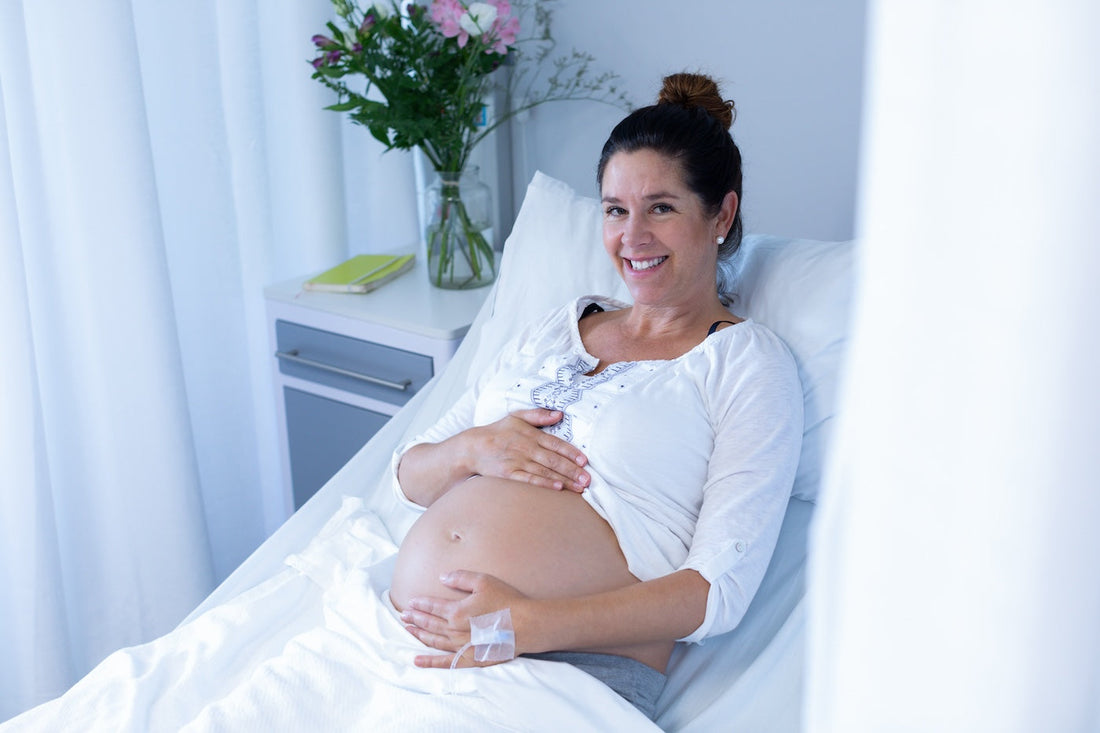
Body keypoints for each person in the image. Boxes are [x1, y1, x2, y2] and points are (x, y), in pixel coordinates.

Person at [388, 72, 803, 720]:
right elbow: (410, 474)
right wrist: (474, 448)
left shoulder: (748, 363)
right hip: (404, 642)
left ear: (720, 215)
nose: (632, 237)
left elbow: (714, 592)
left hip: (561, 667)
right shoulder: (556, 327)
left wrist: (525, 624)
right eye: (615, 210)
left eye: (660, 208)